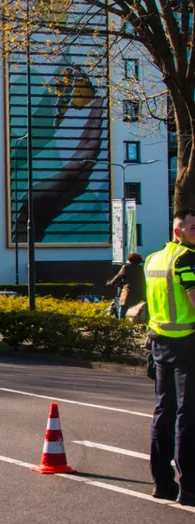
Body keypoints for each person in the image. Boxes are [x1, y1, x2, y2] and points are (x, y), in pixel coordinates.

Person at [144, 208, 195, 505]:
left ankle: (161, 483)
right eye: (192, 228)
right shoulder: (186, 259)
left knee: (164, 412)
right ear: (178, 231)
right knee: (187, 416)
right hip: (187, 342)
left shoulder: (153, 259)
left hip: (159, 341)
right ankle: (189, 486)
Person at [107, 252, 146, 319]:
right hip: (140, 291)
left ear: (130, 259)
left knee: (123, 309)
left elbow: (118, 276)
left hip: (129, 291)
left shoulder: (126, 267)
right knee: (136, 308)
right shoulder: (141, 268)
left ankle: (121, 323)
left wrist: (111, 283)